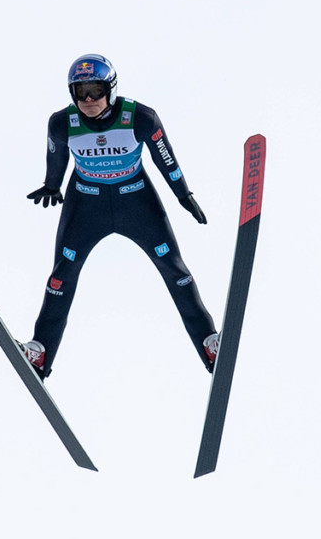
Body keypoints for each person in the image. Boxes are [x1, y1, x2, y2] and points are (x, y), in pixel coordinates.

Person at [19, 53, 219, 379]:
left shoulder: (140, 118)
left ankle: (209, 343)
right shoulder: (62, 123)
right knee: (61, 277)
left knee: (175, 270)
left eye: (95, 90)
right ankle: (40, 353)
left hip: (136, 202)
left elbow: (165, 157)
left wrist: (183, 194)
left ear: (110, 89)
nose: (88, 100)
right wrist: (52, 185)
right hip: (86, 206)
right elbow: (55, 157)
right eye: (80, 91)